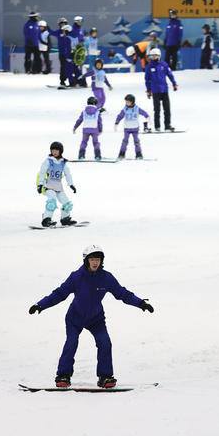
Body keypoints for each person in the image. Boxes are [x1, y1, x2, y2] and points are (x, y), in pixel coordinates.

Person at [28, 245, 154, 389]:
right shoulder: (76, 277)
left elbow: (122, 294)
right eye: (92, 259)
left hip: (96, 319)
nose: (95, 262)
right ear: (86, 260)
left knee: (105, 343)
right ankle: (63, 375)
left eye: (98, 259)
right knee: (71, 342)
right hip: (75, 318)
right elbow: (59, 294)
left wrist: (141, 303)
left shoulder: (106, 278)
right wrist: (40, 305)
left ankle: (105, 377)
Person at [36, 141, 77, 227]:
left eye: (56, 150)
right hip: (48, 186)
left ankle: (65, 219)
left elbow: (67, 174)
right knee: (52, 202)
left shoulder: (63, 163)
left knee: (67, 204)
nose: (54, 152)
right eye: (52, 150)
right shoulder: (48, 161)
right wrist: (40, 185)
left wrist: (71, 184)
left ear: (60, 151)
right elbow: (42, 173)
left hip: (58, 187)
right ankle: (46, 219)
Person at [144, 49, 178, 132]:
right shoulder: (149, 66)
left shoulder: (164, 65)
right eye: (152, 56)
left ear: (159, 56)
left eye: (155, 55)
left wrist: (174, 83)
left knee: (167, 109)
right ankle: (157, 126)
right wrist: (148, 90)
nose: (153, 57)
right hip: (155, 91)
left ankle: (167, 126)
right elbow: (147, 79)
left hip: (164, 90)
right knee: (157, 110)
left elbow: (170, 75)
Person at [115, 94, 149, 159]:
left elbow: (143, 112)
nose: (126, 103)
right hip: (127, 128)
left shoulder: (137, 108)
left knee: (136, 141)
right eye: (126, 102)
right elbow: (120, 116)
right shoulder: (125, 109)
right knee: (125, 141)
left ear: (132, 102)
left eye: (128, 102)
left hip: (135, 128)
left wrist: (147, 116)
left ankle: (138, 154)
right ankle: (121, 154)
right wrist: (117, 122)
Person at [72, 96, 104, 160]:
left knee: (84, 142)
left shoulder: (84, 112)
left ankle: (81, 155)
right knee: (96, 142)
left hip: (85, 129)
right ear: (95, 103)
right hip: (94, 129)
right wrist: (100, 130)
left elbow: (79, 120)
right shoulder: (97, 112)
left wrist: (75, 127)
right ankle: (97, 156)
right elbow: (99, 122)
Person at [53, 23, 74, 87]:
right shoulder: (67, 38)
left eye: (64, 31)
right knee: (67, 70)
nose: (63, 32)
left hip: (68, 57)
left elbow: (68, 49)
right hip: (67, 57)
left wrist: (68, 57)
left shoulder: (68, 39)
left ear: (67, 31)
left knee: (69, 70)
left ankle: (72, 82)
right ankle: (68, 82)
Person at [69, 16, 86, 85]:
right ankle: (76, 81)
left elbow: (81, 39)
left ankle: (80, 81)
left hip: (80, 50)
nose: (81, 23)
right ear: (77, 22)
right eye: (80, 21)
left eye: (81, 21)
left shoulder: (80, 29)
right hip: (74, 50)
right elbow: (71, 40)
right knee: (75, 67)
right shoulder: (72, 30)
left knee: (80, 66)